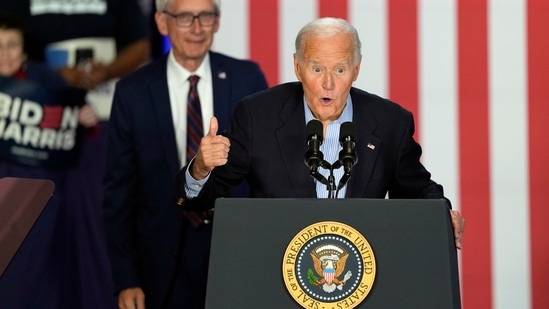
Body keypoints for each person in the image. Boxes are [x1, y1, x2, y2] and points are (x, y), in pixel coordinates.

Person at [175, 17, 465, 249]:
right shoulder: (257, 116)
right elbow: (200, 201)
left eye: (340, 70)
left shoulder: (390, 122)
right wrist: (200, 168)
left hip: (361, 273)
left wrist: (442, 214)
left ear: (357, 68)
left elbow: (417, 191)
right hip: (276, 269)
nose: (328, 84)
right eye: (316, 69)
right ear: (298, 67)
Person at [102, 0, 268, 308]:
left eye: (205, 16)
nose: (196, 27)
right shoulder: (132, 91)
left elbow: (264, 174)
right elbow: (119, 194)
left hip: (234, 256)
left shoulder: (247, 78)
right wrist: (126, 278)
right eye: (184, 17)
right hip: (160, 265)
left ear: (217, 22)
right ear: (162, 23)